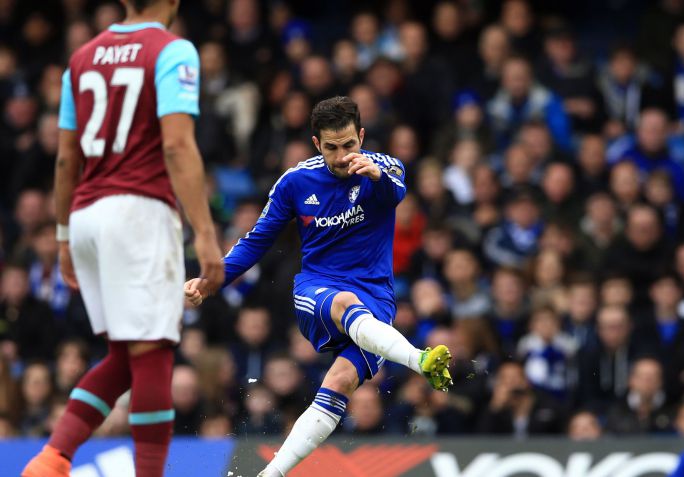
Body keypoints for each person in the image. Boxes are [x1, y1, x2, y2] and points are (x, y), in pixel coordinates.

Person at [185, 96, 452, 477]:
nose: (342, 156)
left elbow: (396, 193)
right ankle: (420, 360)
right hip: (319, 290)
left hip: (377, 300)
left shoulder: (386, 167)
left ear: (361, 137)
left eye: (349, 145)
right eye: (331, 148)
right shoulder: (295, 182)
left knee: (339, 382)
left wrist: (375, 176)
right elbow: (256, 241)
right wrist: (212, 279)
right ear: (316, 144)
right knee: (345, 302)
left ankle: (270, 475)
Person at [22, 0, 224, 476]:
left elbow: (66, 158)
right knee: (153, 352)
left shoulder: (82, 57)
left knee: (124, 354)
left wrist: (65, 236)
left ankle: (52, 459)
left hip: (86, 214)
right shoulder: (172, 50)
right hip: (137, 212)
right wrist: (205, 233)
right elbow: (177, 145)